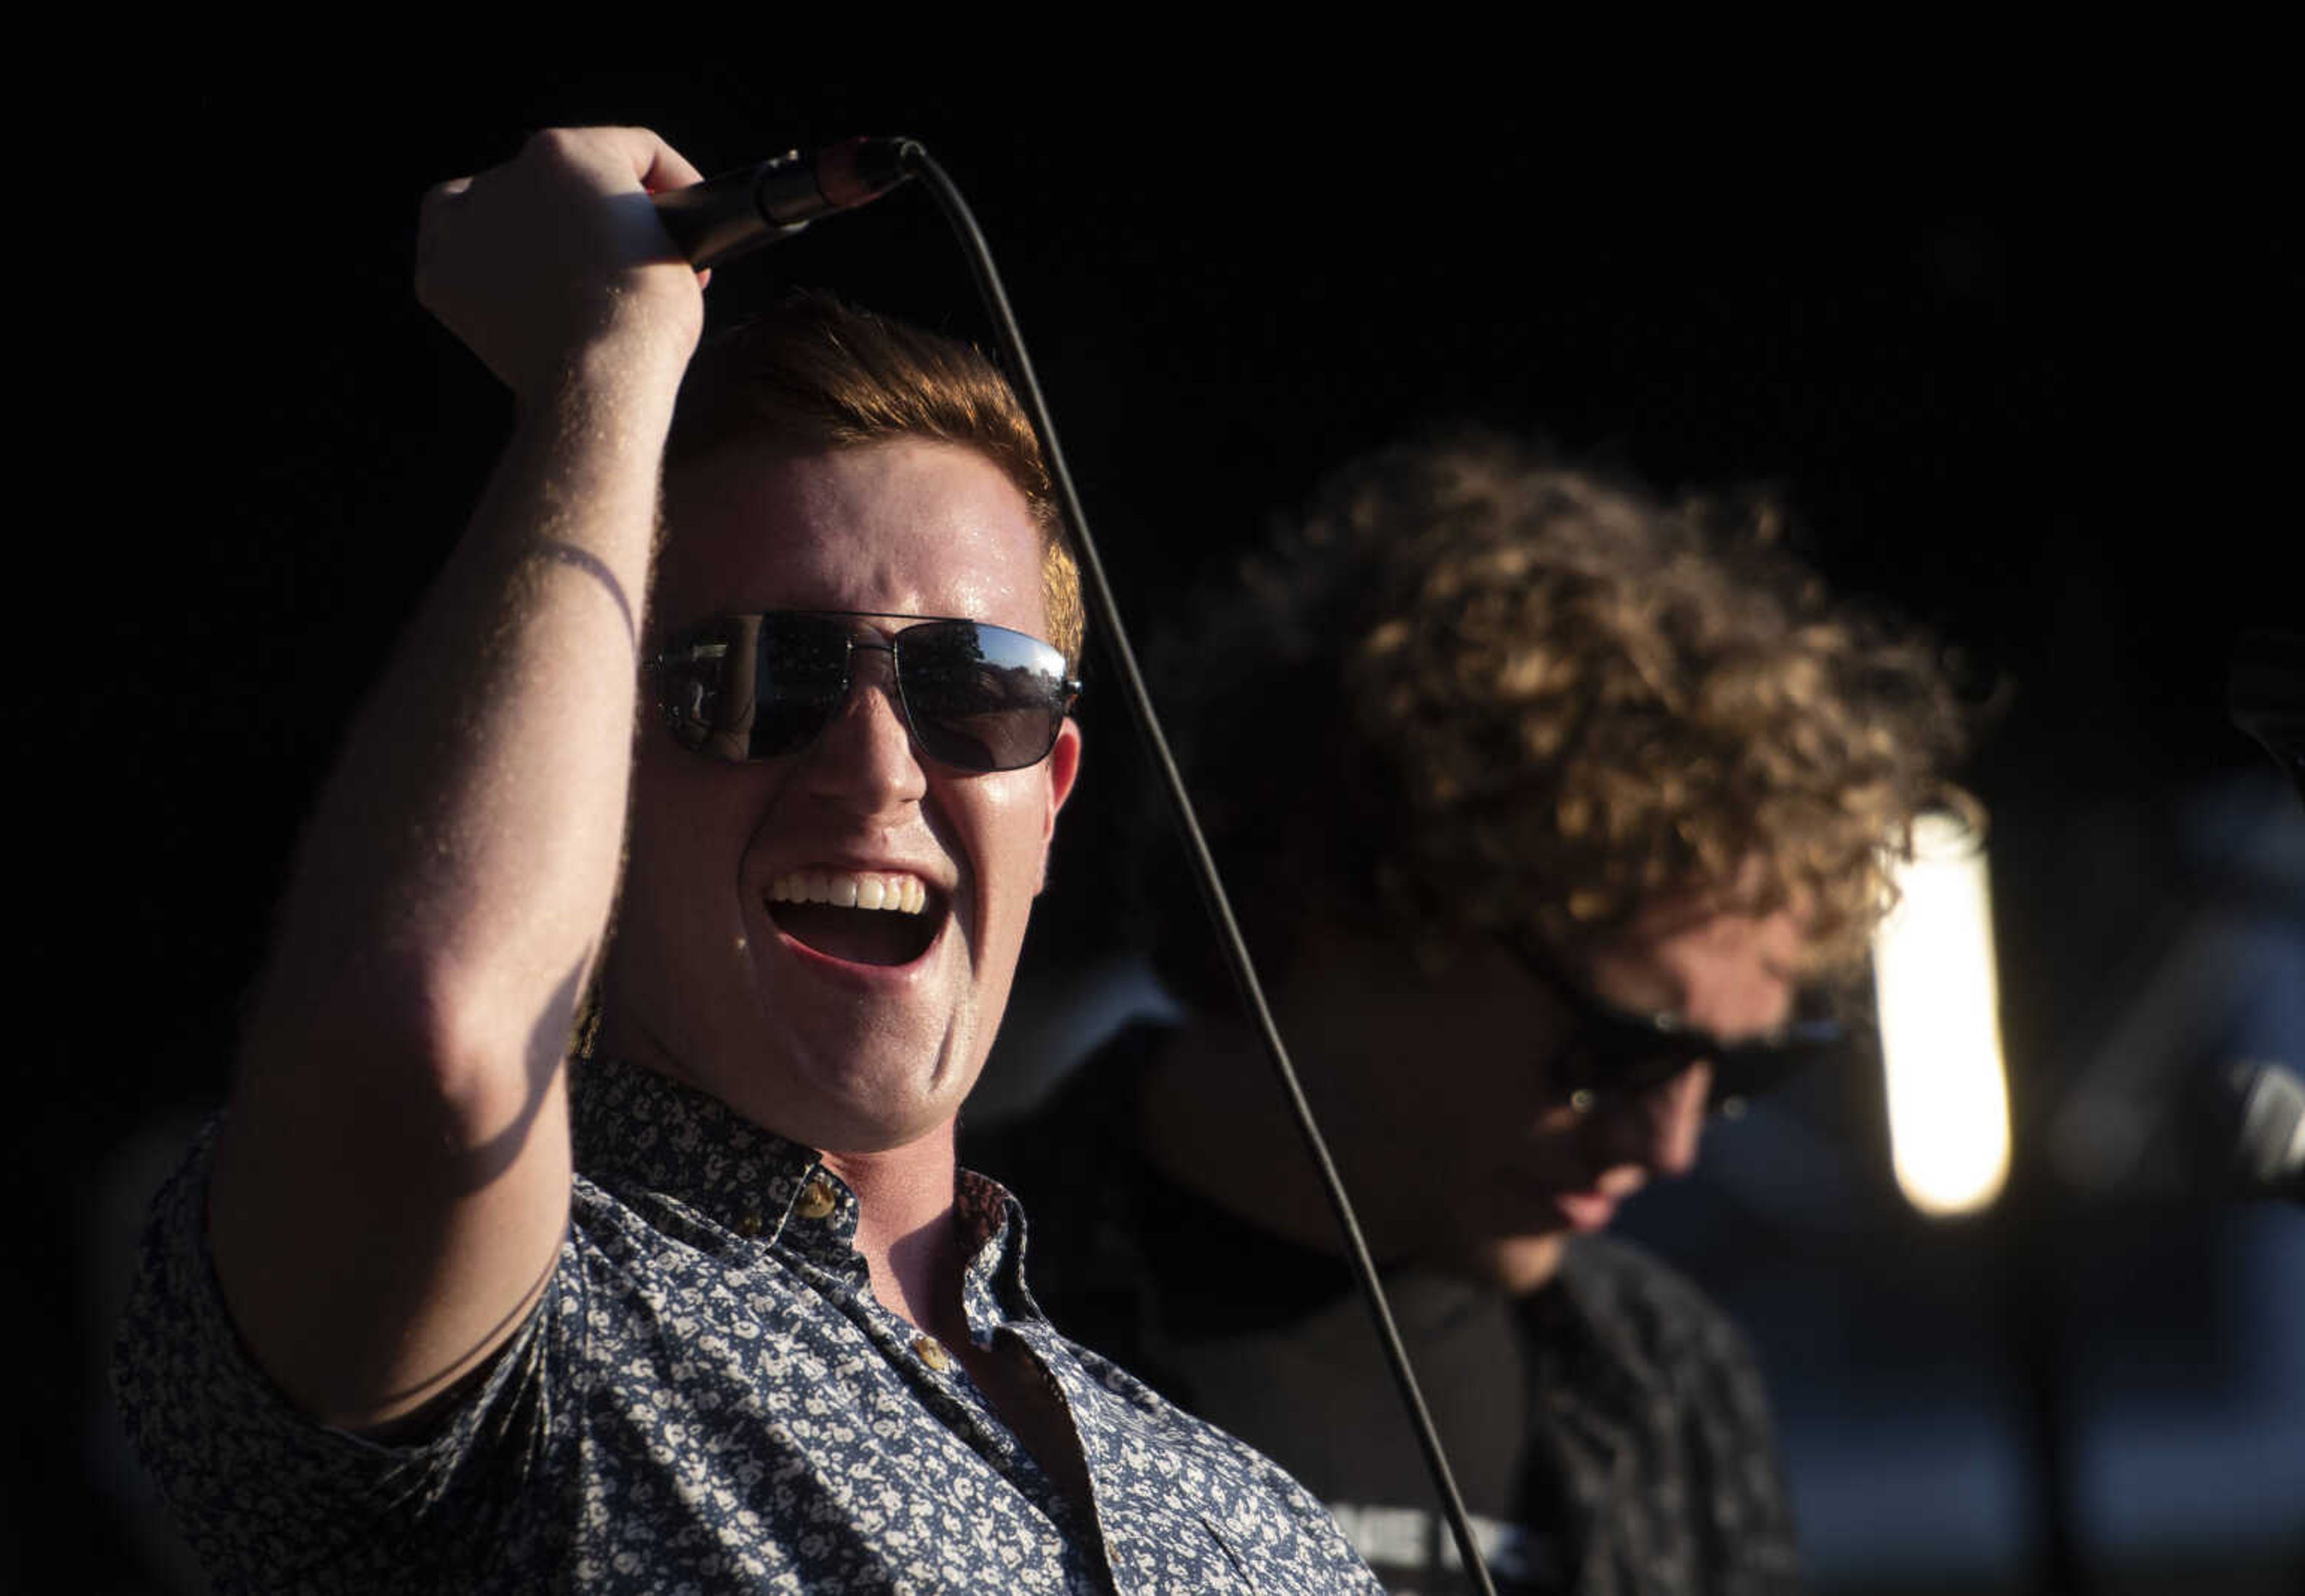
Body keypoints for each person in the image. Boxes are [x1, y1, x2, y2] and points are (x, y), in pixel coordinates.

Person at [112, 127, 1380, 1594]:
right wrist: (604, 369)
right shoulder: (525, 1349)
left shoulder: (1258, 1525)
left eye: (978, 690)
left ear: (1055, 789)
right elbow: (433, 1041)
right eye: (762, 678)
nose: (880, 765)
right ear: (598, 764)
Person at [975, 430, 1970, 1595]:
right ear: (1357, 903)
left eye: (1747, 1072)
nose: (1674, 1143)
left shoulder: (1666, 1380)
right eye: (1625, 1048)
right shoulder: (936, 1307)